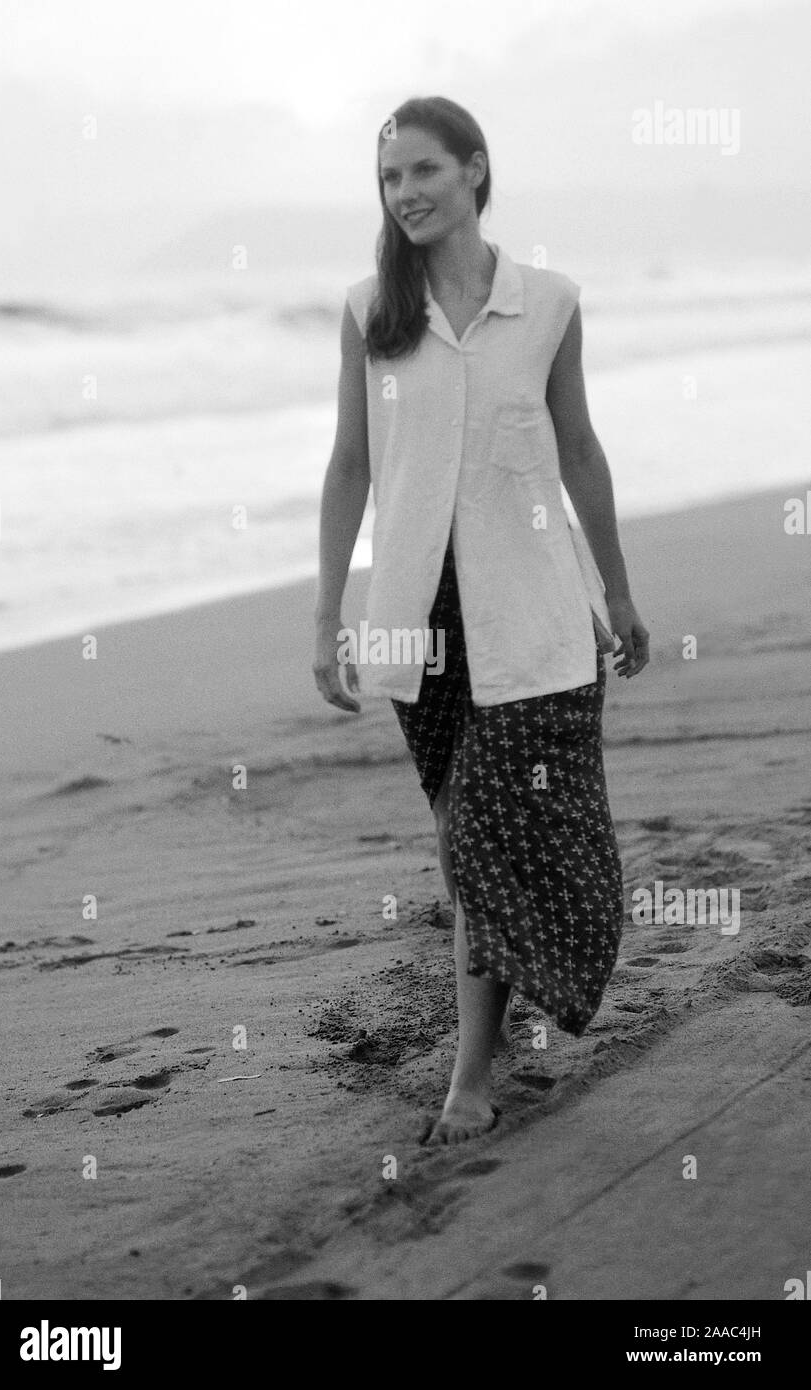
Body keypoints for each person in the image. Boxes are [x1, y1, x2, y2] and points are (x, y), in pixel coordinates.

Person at [313, 95, 649, 1147]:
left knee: (478, 837)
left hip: (536, 614)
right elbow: (353, 466)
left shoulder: (547, 302)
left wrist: (622, 592)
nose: (404, 193)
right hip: (416, 622)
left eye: (422, 170)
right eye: (387, 179)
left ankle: (467, 1076)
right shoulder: (372, 311)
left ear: (472, 170)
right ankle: (489, 1034)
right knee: (471, 853)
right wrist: (329, 613)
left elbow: (579, 451)